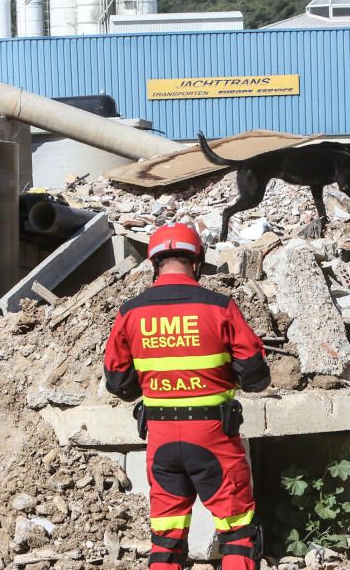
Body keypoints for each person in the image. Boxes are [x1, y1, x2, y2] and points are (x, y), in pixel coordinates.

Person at [104, 223, 271, 570]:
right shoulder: (219, 307)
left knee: (166, 537)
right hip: (215, 438)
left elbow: (117, 381)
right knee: (237, 531)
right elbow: (256, 376)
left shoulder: (129, 313)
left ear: (154, 263)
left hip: (160, 441)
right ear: (197, 262)